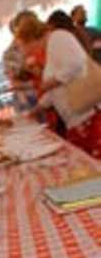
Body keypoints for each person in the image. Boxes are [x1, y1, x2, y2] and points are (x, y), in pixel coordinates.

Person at [15, 14, 101, 159]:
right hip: (75, 119)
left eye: (22, 45)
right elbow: (55, 91)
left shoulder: (58, 38)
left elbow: (76, 64)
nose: (24, 51)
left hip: (88, 115)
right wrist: (37, 109)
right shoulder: (51, 45)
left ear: (29, 39)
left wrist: (51, 82)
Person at [2, 11, 38, 112]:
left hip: (44, 94)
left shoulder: (37, 43)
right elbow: (14, 81)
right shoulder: (9, 54)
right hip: (29, 100)